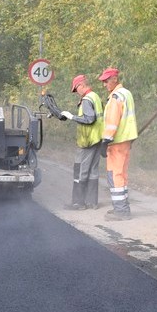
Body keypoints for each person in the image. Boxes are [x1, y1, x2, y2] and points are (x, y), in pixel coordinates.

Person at [59, 74, 104, 210]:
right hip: (97, 139)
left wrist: (72, 117)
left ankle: (78, 203)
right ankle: (92, 202)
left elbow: (89, 119)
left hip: (88, 141)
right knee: (93, 171)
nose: (76, 92)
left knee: (80, 171)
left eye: (75, 89)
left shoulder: (86, 99)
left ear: (81, 85)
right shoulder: (95, 97)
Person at [98, 67, 137, 220]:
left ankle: (121, 211)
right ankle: (123, 207)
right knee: (122, 174)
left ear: (114, 79)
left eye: (106, 80)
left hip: (116, 142)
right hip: (126, 141)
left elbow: (112, 123)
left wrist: (105, 141)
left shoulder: (115, 97)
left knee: (114, 175)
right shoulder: (126, 93)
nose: (104, 84)